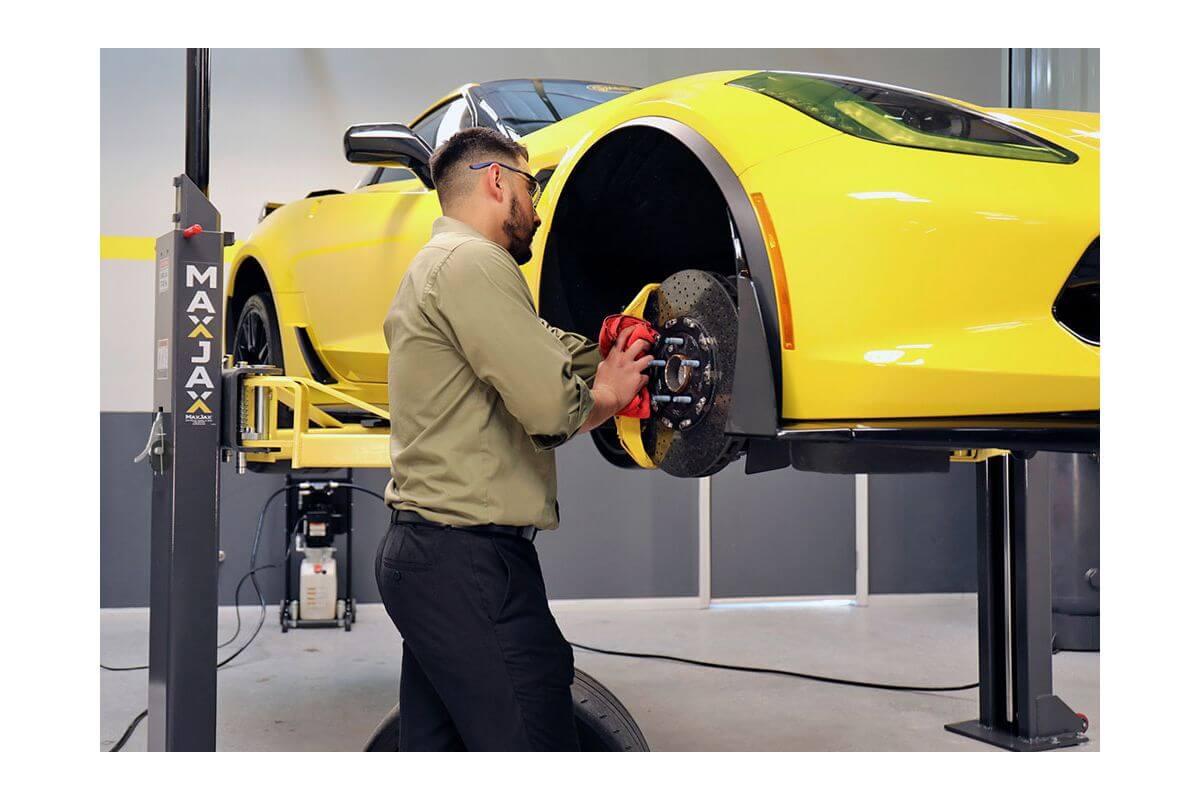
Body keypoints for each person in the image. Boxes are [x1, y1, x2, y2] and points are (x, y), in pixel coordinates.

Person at [375, 126, 653, 750]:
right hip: (467, 562)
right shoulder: (476, 263)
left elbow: (542, 349)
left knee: (440, 750)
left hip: (428, 557)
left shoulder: (437, 266)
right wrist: (607, 391)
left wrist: (606, 351)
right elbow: (552, 408)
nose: (537, 205)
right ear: (498, 181)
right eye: (532, 187)